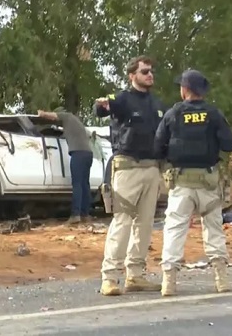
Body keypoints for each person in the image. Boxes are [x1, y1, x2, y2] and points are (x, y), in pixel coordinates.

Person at [154, 70, 232, 296]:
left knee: (174, 229)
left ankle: (168, 282)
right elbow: (229, 144)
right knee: (214, 229)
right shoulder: (213, 114)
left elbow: (157, 145)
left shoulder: (173, 113)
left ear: (185, 90)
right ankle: (221, 279)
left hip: (181, 183)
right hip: (209, 182)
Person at [93, 55, 167, 296]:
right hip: (127, 167)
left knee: (145, 224)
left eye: (151, 71)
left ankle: (135, 275)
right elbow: (102, 108)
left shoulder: (157, 104)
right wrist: (102, 104)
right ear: (132, 75)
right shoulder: (123, 99)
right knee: (122, 222)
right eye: (145, 71)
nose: (150, 75)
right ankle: (110, 277)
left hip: (151, 168)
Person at [37, 108, 94, 224]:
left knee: (77, 184)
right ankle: (85, 214)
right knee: (84, 184)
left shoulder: (67, 116)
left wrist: (42, 114)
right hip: (88, 153)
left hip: (78, 154)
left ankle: (75, 215)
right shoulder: (77, 124)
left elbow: (52, 115)